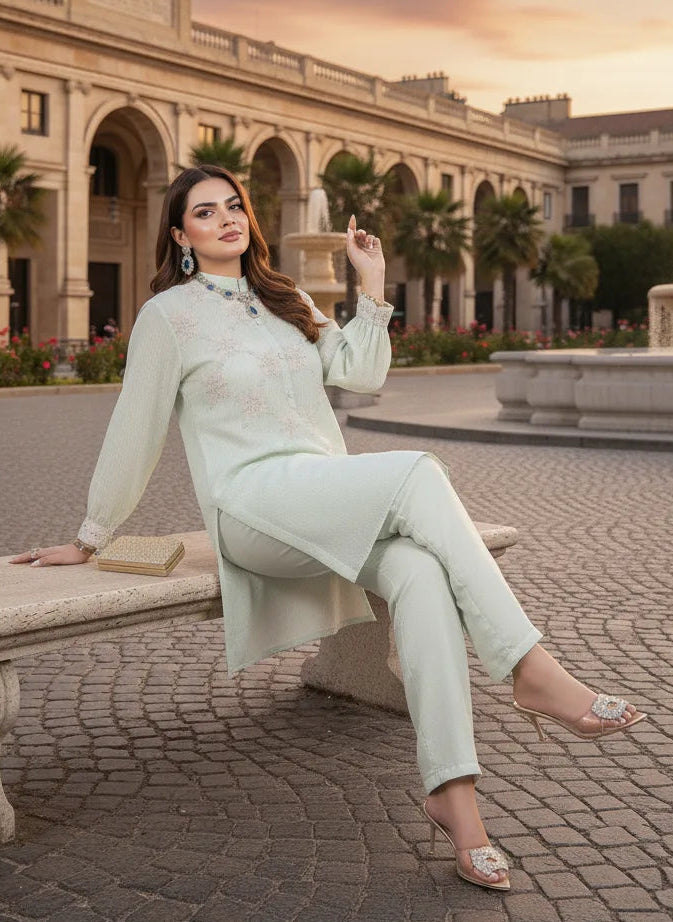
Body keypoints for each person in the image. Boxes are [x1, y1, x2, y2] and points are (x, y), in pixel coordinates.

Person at [10, 164, 646, 892]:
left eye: (233, 207)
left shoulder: (286, 299)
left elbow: (361, 375)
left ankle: (455, 800)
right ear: (181, 236)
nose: (225, 218)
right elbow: (136, 428)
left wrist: (369, 284)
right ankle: (533, 673)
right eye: (204, 212)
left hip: (322, 494)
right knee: (416, 470)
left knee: (420, 571)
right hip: (251, 508)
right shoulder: (169, 316)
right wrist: (91, 535)